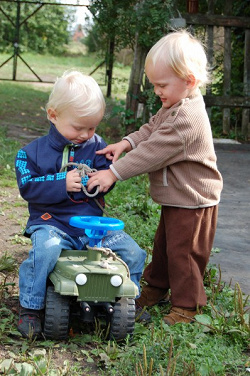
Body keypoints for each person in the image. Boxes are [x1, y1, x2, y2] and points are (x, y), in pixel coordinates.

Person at [87, 30, 223, 325]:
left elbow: (152, 151)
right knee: (164, 245)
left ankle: (188, 306)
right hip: (178, 196)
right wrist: (125, 143)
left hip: (194, 200)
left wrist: (113, 173)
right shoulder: (174, 106)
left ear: (189, 81)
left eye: (162, 85)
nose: (157, 91)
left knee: (184, 253)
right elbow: (150, 130)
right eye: (154, 85)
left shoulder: (187, 118)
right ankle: (157, 287)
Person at [15, 70, 147, 338]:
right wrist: (60, 182)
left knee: (133, 252)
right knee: (46, 251)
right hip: (53, 224)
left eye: (93, 127)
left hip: (93, 228)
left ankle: (129, 301)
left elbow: (106, 177)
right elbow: (27, 187)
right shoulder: (30, 153)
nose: (86, 134)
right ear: (53, 115)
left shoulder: (97, 147)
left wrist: (105, 180)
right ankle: (30, 306)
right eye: (79, 127)